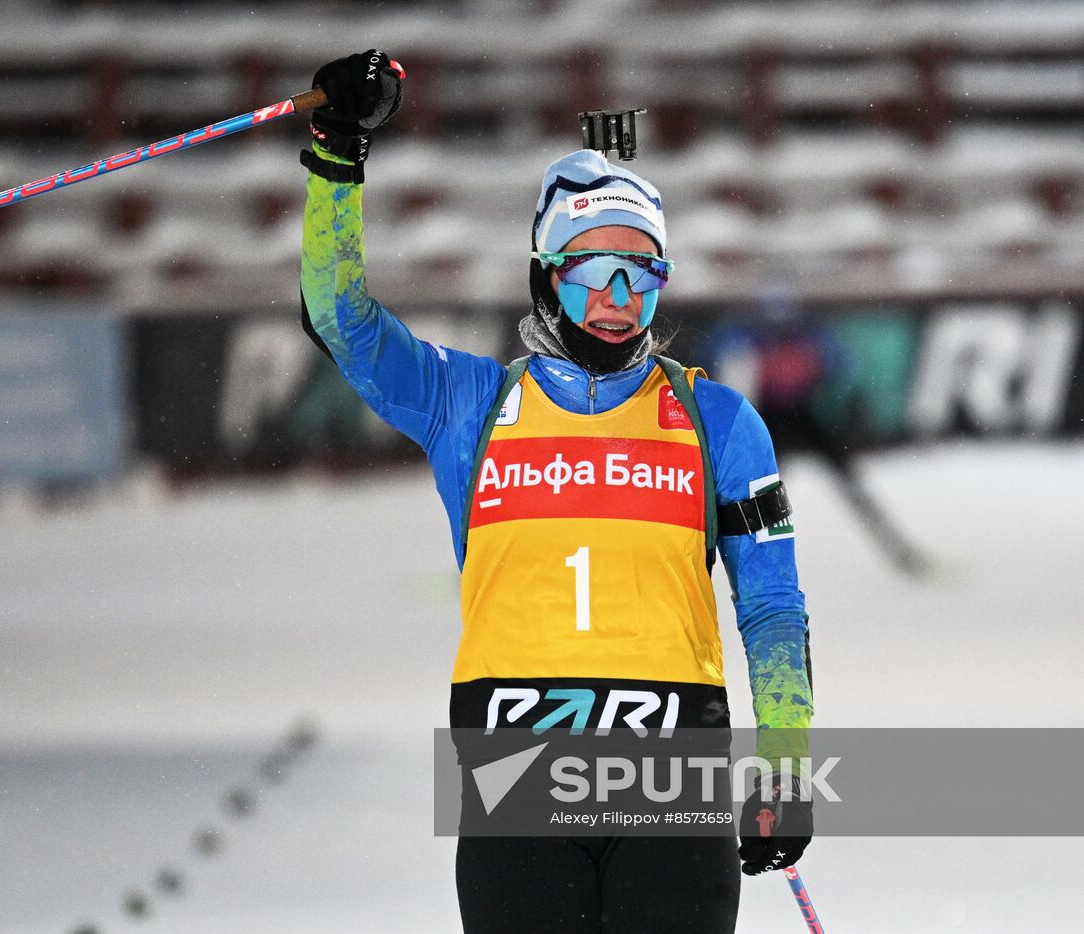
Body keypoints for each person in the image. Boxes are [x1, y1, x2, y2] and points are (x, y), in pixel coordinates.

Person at [299, 51, 814, 933]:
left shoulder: (716, 420)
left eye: (641, 273)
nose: (616, 298)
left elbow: (770, 605)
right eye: (590, 270)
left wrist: (785, 767)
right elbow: (339, 316)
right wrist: (337, 154)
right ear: (545, 271)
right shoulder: (470, 404)